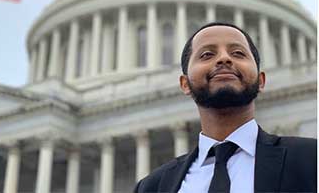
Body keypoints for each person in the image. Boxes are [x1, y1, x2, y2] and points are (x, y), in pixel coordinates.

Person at [134, 22, 317, 193]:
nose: (224, 58)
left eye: (238, 53)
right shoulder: (151, 187)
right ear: (185, 84)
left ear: (261, 80)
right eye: (207, 54)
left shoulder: (311, 159)